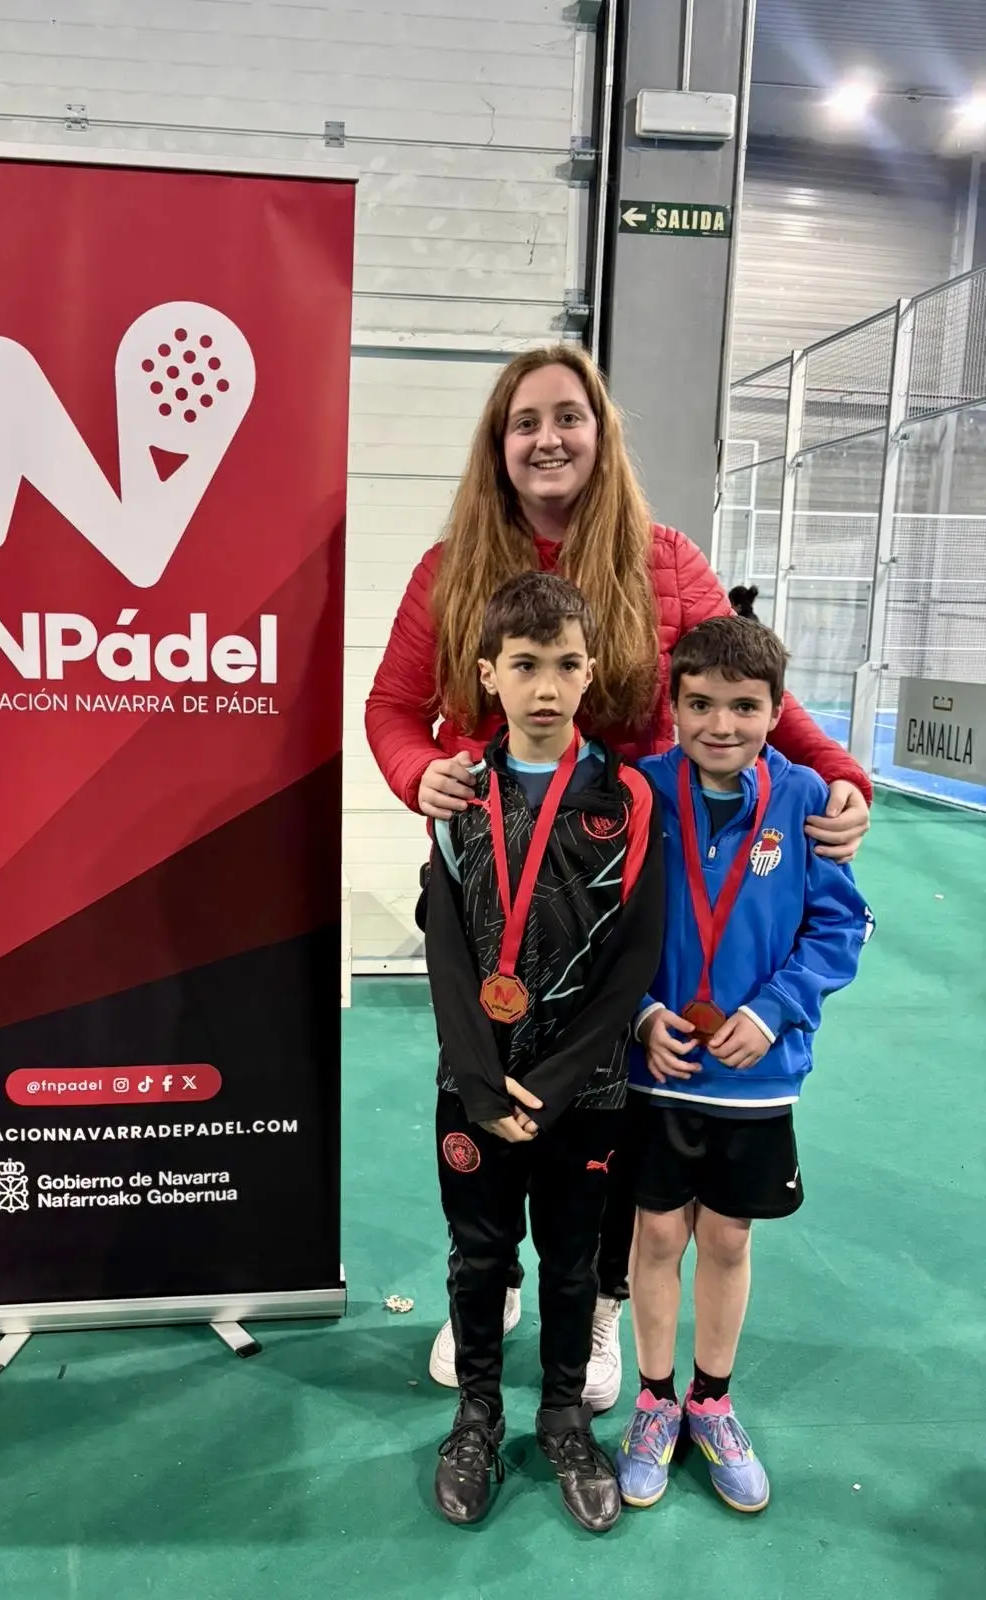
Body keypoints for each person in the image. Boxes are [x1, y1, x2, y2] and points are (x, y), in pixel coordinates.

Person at [365, 343, 873, 1409]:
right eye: (525, 422)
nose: (548, 438)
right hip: (493, 867)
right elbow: (392, 708)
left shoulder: (664, 558)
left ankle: (596, 1299)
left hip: (617, 870)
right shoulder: (450, 567)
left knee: (603, 1096)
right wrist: (421, 774)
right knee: (484, 1064)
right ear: (498, 445)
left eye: (569, 417)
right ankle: (491, 1279)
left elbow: (745, 678)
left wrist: (836, 773)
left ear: (601, 434)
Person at [615, 617, 873, 1515]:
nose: (720, 724)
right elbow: (604, 926)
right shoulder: (639, 792)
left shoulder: (805, 800)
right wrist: (641, 1013)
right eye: (699, 704)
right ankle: (654, 1400)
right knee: (656, 1237)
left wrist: (771, 1012)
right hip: (660, 1069)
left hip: (758, 1077)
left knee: (727, 1239)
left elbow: (840, 926)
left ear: (776, 710)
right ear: (673, 706)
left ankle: (712, 1401)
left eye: (743, 706)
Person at [424, 571, 663, 1531]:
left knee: (572, 1260)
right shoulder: (458, 793)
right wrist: (482, 1085)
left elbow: (635, 954)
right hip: (473, 1085)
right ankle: (477, 1416)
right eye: (524, 666)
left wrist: (557, 1084)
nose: (547, 687)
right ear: (489, 674)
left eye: (566, 665)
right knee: (480, 1256)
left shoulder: (626, 797)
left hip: (587, 1092)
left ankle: (564, 1416)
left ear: (591, 671)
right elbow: (445, 948)